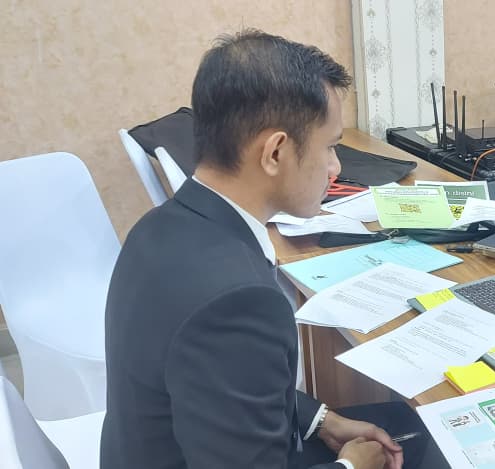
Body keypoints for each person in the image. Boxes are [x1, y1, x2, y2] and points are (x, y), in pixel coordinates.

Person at [101, 30, 447, 469]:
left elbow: (221, 385)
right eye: (330, 147)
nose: (336, 167)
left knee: (407, 427)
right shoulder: (237, 301)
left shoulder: (158, 227)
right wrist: (352, 467)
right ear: (275, 152)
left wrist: (320, 420)